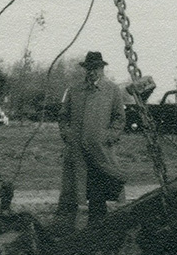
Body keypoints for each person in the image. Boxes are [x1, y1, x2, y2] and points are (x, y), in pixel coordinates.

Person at [55, 51, 128, 232]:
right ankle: (69, 230)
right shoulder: (74, 90)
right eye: (89, 68)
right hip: (78, 150)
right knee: (74, 191)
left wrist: (109, 137)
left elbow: (119, 118)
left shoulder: (112, 90)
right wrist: (67, 134)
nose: (92, 72)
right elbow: (63, 117)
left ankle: (98, 228)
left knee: (99, 191)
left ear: (102, 69)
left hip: (100, 151)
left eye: (96, 68)